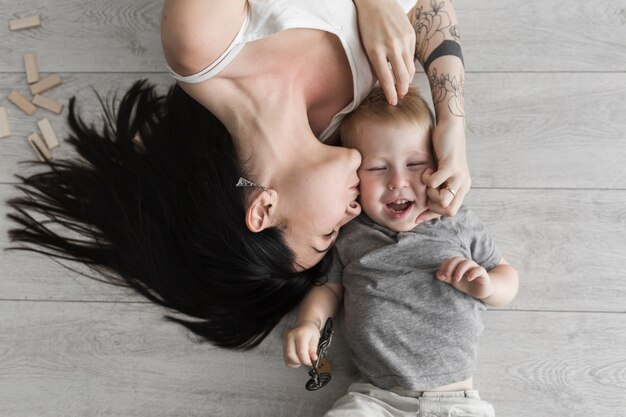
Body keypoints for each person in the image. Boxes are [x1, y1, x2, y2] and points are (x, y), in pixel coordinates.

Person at [7, 0, 470, 349]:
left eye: (327, 233)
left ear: (263, 208)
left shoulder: (203, 47)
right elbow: (430, 8)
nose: (352, 213)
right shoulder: (353, 117)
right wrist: (452, 123)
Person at [282, 87, 519, 416]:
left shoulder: (457, 222)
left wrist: (488, 286)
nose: (398, 181)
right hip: (375, 399)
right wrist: (309, 323)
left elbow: (508, 276)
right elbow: (328, 288)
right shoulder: (350, 232)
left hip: (454, 401)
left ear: (439, 166)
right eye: (378, 169)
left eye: (415, 163)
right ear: (353, 179)